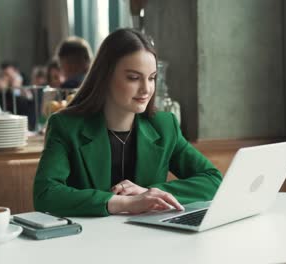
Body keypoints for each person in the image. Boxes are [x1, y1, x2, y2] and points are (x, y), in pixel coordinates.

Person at [34, 28, 222, 217]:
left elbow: (213, 180)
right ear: (105, 76)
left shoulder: (165, 126)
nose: (146, 89)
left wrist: (149, 193)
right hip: (90, 240)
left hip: (149, 237)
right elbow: (45, 194)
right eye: (133, 78)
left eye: (152, 78)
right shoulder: (66, 126)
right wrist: (123, 202)